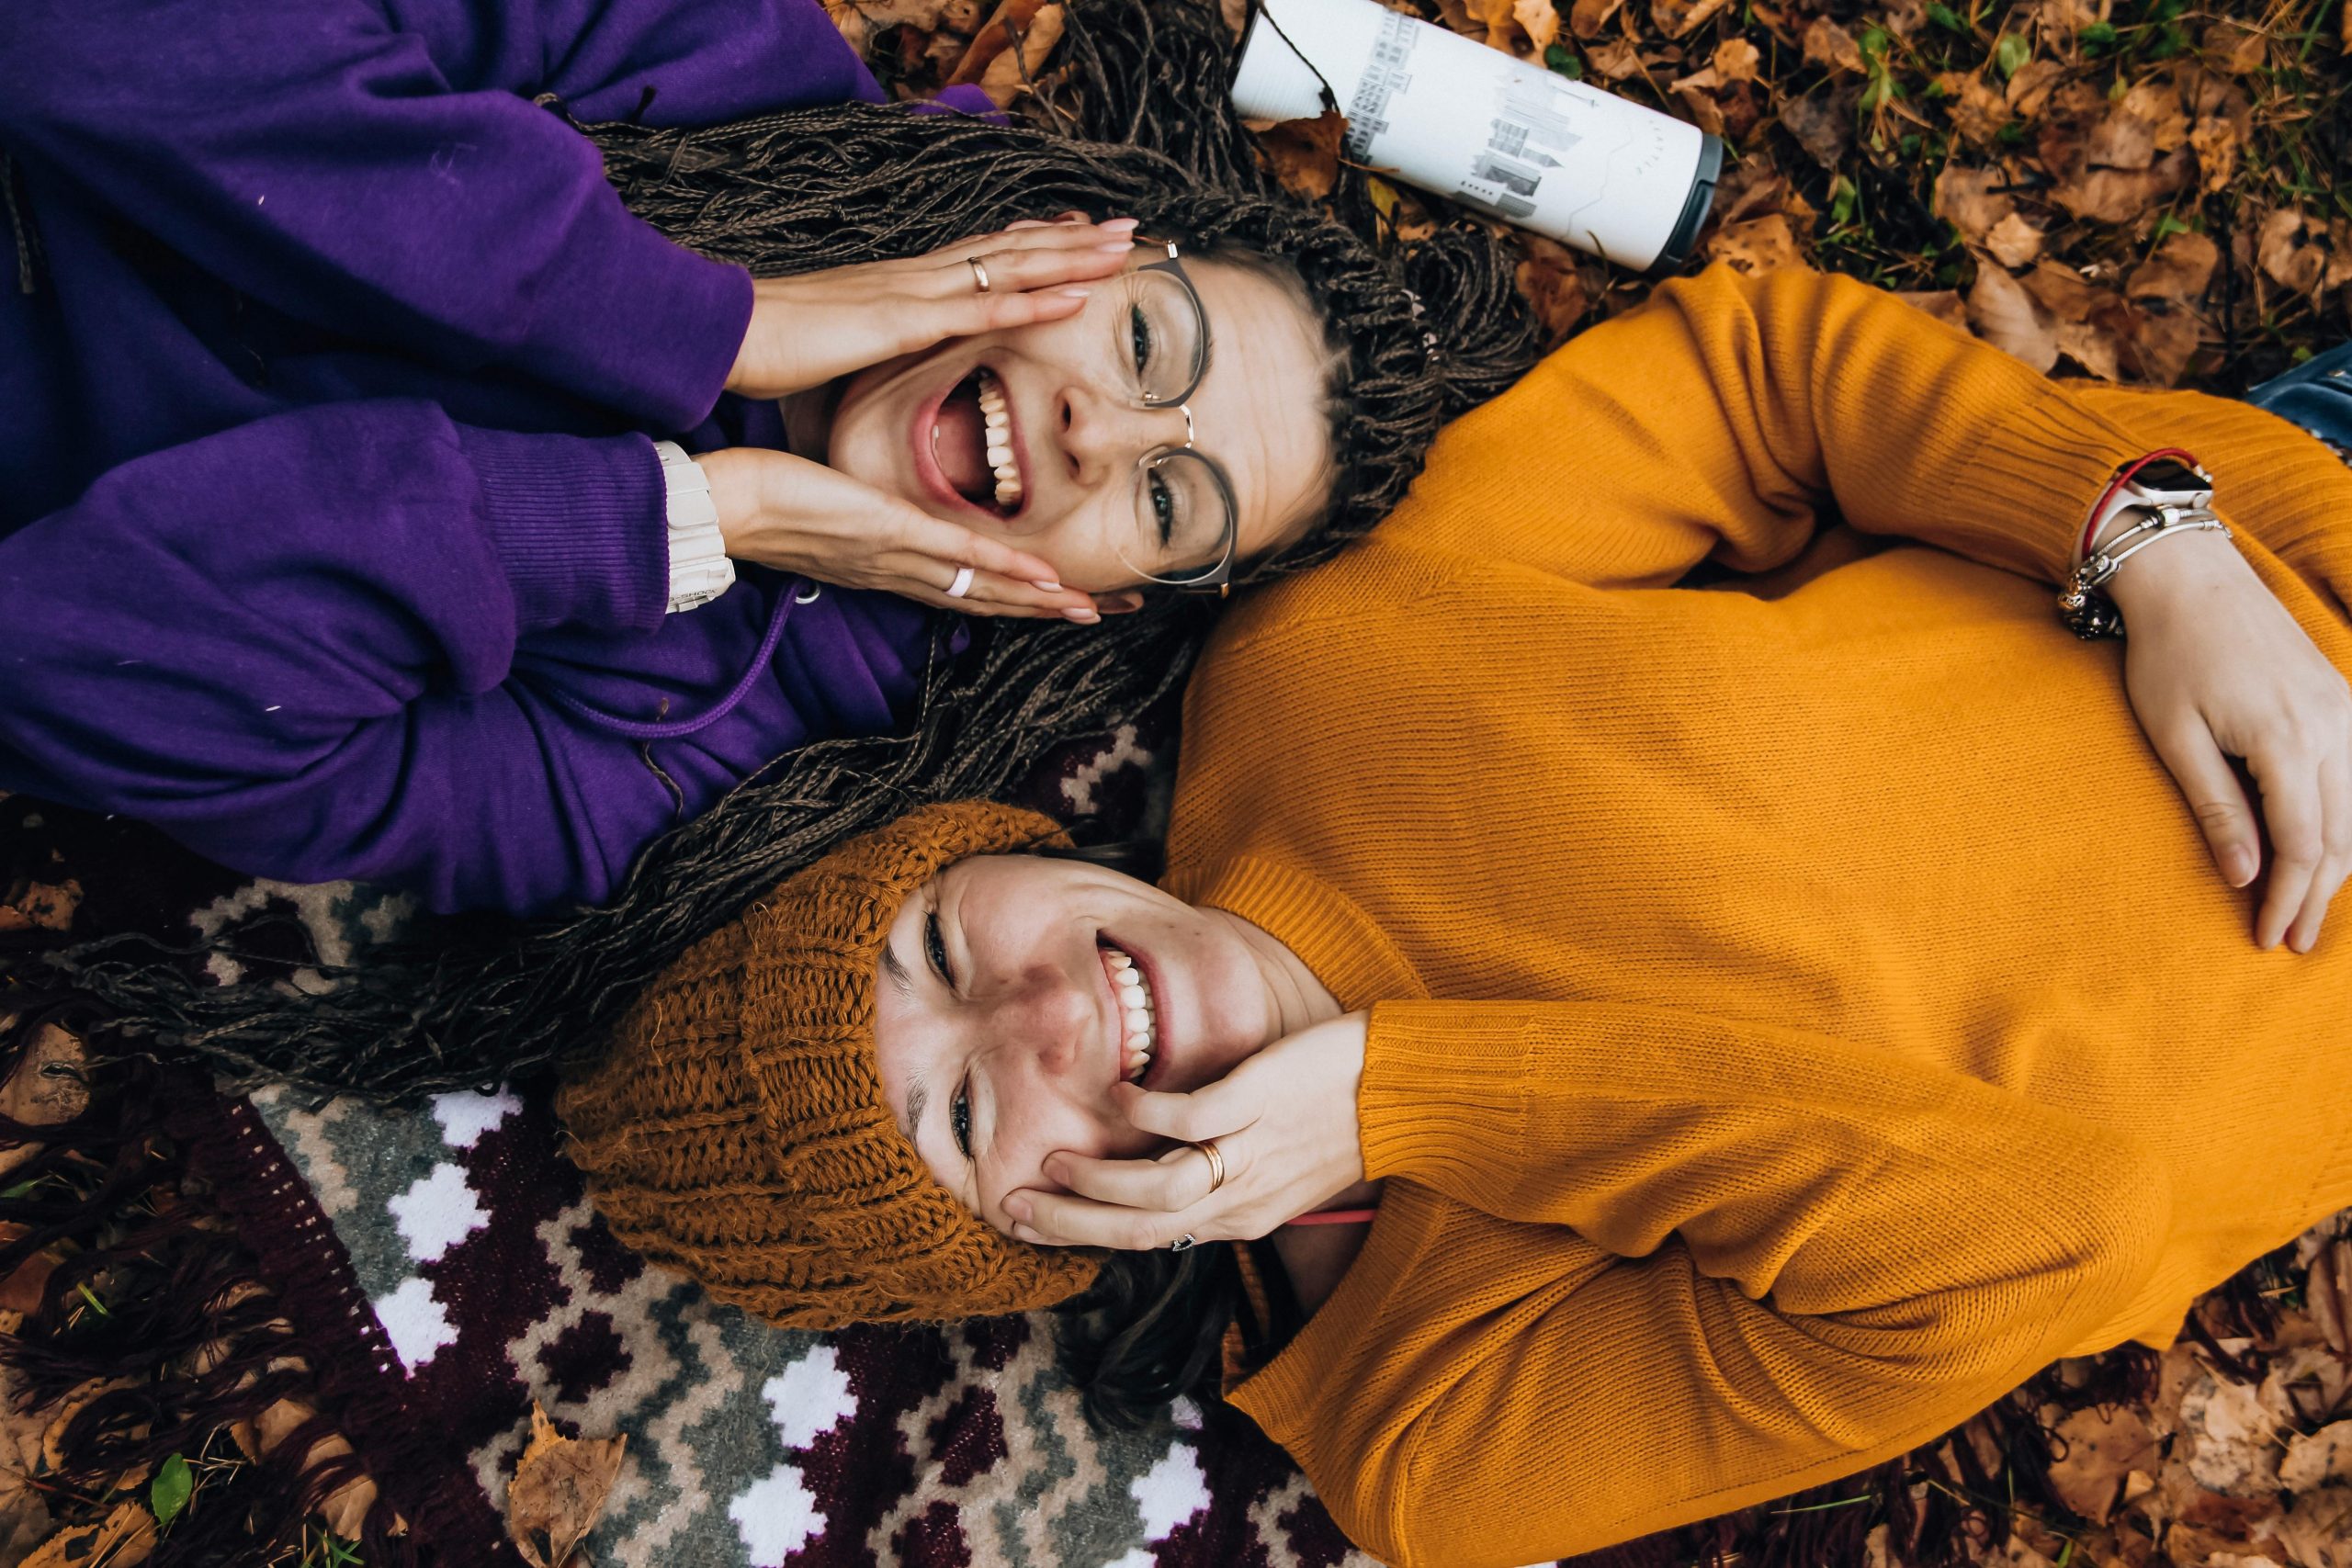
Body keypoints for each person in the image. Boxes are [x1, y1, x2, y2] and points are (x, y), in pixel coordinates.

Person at [554, 265, 2352, 1567]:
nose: (1033, 1010)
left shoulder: (1302, 677)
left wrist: (2143, 538)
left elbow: (1753, 373)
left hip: (2279, 540)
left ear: (988, 845)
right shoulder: (1433, 1436)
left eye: (939, 943)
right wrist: (1399, 1094)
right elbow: (2045, 1229)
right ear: (1016, 1238)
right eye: (956, 1111)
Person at [0, 0, 1530, 915]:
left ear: (1106, 606)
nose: (1096, 433)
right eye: (1147, 347)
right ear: (1074, 244)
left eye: (1166, 499)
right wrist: (699, 325)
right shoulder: (737, 67)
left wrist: (667, 515)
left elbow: (67, 672)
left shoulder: (708, 769)